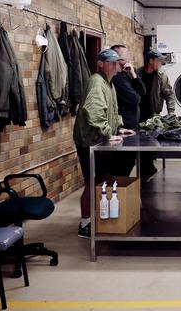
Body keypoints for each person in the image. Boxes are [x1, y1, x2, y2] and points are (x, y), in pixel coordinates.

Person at [73, 49, 135, 238]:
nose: (117, 66)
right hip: (90, 142)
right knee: (92, 183)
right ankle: (85, 224)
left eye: (118, 63)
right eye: (113, 63)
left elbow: (112, 110)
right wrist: (108, 133)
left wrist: (118, 128)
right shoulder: (96, 82)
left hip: (100, 142)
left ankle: (101, 220)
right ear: (101, 64)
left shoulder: (109, 84)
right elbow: (93, 111)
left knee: (104, 180)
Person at [136, 48, 176, 181]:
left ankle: (147, 171)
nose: (161, 63)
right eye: (158, 60)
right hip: (137, 114)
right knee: (139, 144)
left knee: (150, 143)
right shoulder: (138, 73)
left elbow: (169, 95)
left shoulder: (161, 76)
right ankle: (145, 172)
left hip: (153, 115)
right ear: (150, 61)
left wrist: (171, 113)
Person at [110, 44, 145, 176]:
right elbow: (135, 99)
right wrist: (136, 94)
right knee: (123, 165)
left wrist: (134, 75)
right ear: (117, 60)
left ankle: (120, 190)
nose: (128, 61)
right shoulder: (117, 78)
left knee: (129, 162)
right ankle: (117, 192)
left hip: (131, 126)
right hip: (123, 126)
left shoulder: (126, 74)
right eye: (125, 59)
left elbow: (142, 91)